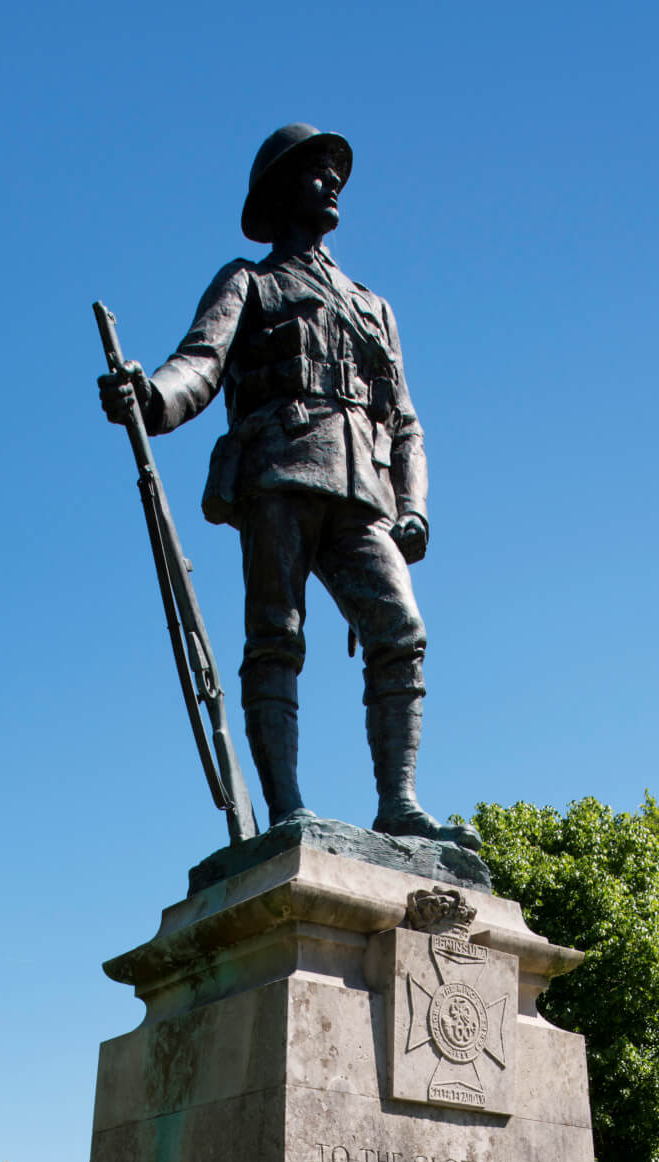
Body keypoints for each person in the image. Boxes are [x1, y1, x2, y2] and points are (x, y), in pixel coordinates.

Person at [98, 124, 481, 850]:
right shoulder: (250, 281)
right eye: (315, 171)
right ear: (278, 192)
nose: (332, 182)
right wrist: (148, 400)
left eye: (336, 172)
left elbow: (405, 420)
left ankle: (398, 803)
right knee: (278, 637)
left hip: (363, 489)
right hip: (278, 469)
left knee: (401, 633)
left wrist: (414, 505)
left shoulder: (373, 306)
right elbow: (198, 366)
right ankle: (288, 811)